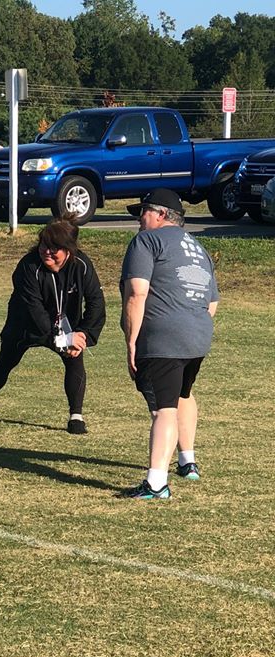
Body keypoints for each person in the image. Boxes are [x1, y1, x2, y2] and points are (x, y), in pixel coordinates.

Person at [120, 188, 219, 500]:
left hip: (163, 335)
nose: (139, 219)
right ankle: (187, 461)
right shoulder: (198, 248)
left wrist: (132, 340)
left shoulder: (146, 241)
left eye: (143, 211)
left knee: (163, 409)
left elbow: (137, 291)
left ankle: (156, 483)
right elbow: (212, 303)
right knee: (182, 394)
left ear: (160, 214)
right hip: (198, 336)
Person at [0, 216, 105, 433]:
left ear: (69, 250)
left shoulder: (81, 265)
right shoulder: (28, 266)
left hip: (66, 325)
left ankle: (76, 417)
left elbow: (96, 302)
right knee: (6, 360)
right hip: (26, 323)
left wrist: (83, 335)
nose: (47, 252)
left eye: (54, 248)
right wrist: (61, 337)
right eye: (44, 245)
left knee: (74, 359)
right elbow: (33, 308)